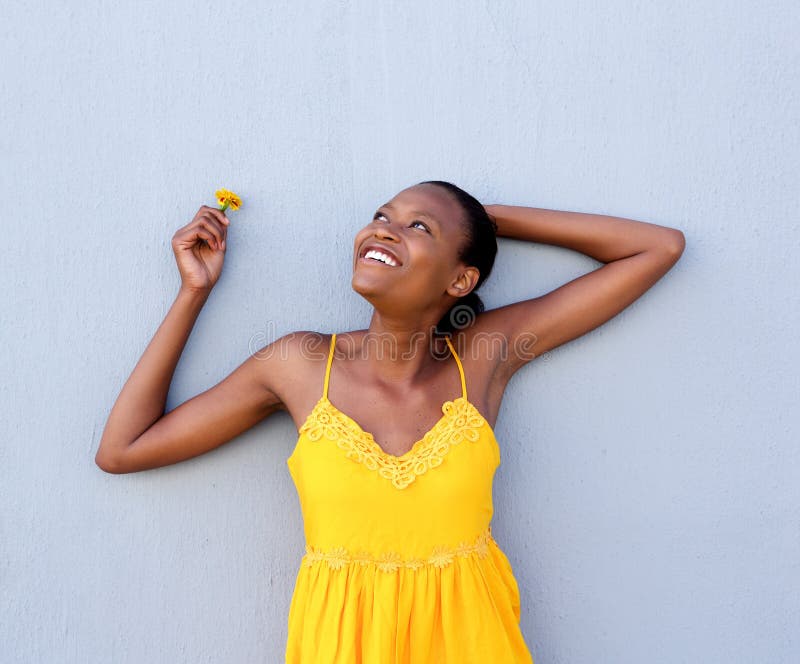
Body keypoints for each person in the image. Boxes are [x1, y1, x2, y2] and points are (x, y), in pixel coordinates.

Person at [96, 180, 685, 663]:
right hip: (343, 648)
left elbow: (657, 248)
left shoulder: (484, 355)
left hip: (472, 645)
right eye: (382, 214)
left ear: (461, 280)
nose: (383, 228)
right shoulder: (299, 365)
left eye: (418, 226)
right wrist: (193, 291)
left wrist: (486, 217)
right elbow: (123, 449)